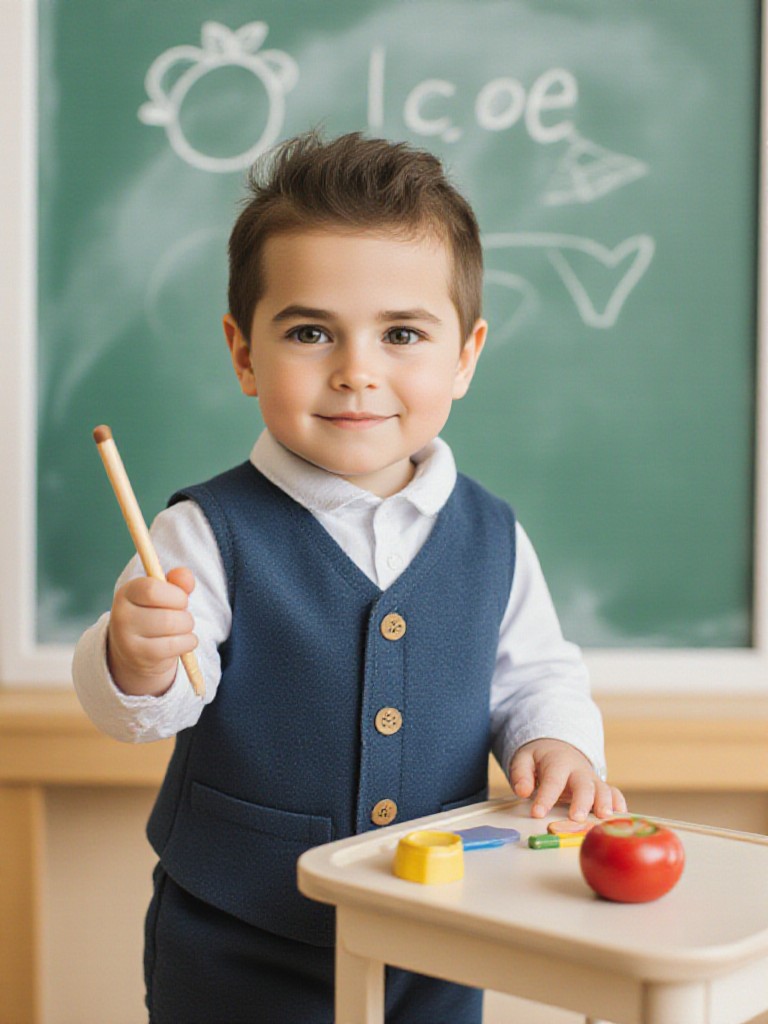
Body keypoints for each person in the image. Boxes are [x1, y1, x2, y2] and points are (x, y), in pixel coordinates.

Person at [73, 130, 626, 1024]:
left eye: (402, 333)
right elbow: (151, 708)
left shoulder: (492, 535)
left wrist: (556, 744)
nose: (357, 372)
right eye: (309, 332)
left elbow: (536, 675)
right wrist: (133, 660)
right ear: (245, 353)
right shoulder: (201, 533)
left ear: (466, 355)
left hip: (437, 930)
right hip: (238, 941)